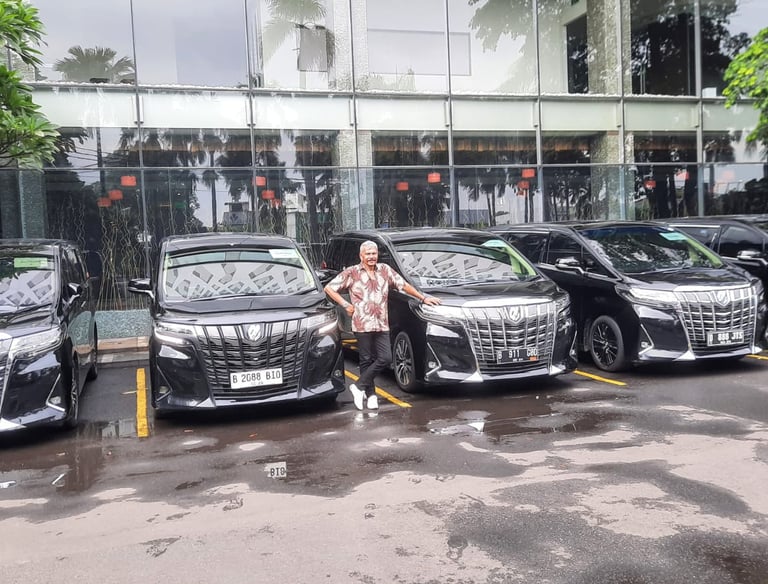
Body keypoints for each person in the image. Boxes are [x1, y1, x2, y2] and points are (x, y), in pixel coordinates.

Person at [324, 240, 441, 410]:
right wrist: (345, 304)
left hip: (382, 323)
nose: (371, 257)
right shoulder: (352, 272)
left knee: (385, 358)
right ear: (361, 256)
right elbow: (329, 288)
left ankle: (358, 386)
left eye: (374, 253)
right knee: (366, 359)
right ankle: (371, 396)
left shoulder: (385, 270)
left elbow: (403, 285)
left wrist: (423, 298)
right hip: (362, 323)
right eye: (368, 254)